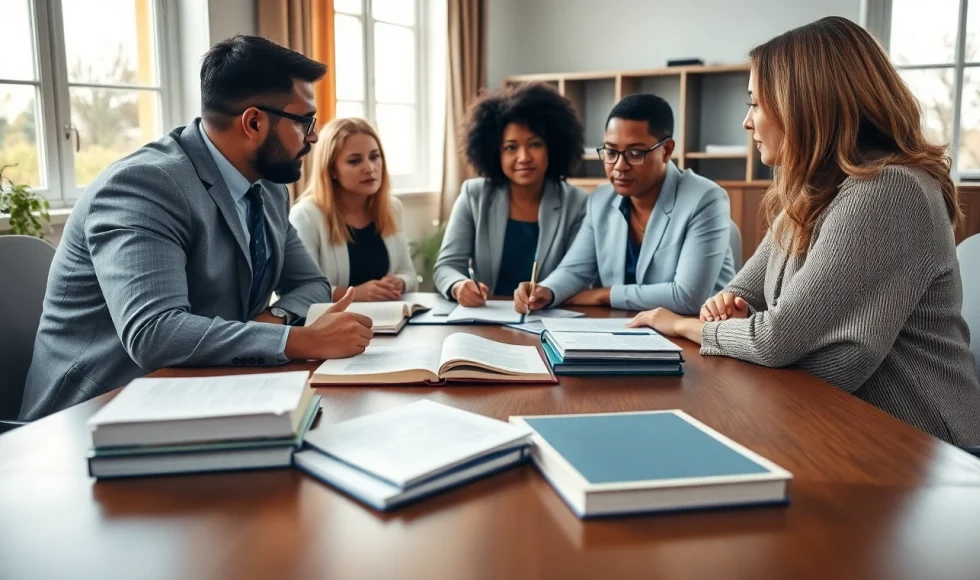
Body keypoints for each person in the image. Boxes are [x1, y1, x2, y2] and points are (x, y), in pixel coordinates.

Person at [627, 17, 980, 445]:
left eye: (756, 104)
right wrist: (728, 312)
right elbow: (741, 297)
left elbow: (776, 339)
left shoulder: (889, 191)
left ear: (807, 105)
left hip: (920, 447)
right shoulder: (813, 192)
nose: (747, 123)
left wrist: (682, 325)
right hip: (834, 419)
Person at [19, 35, 374, 421]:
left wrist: (275, 320)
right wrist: (298, 339)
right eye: (305, 120)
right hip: (91, 416)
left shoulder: (268, 188)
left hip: (203, 392)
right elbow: (154, 334)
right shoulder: (144, 186)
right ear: (253, 122)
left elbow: (310, 284)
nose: (313, 136)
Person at [514, 94, 735, 315]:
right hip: (625, 330)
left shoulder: (705, 199)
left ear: (666, 150)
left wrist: (604, 295)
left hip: (692, 336)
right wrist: (546, 291)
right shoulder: (601, 200)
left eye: (635, 153)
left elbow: (687, 297)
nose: (619, 166)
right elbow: (575, 271)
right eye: (610, 152)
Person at [432, 82, 589, 306]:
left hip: (546, 318)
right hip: (486, 318)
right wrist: (459, 286)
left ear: (552, 148)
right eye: (511, 147)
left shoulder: (577, 203)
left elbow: (576, 272)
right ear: (495, 153)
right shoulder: (474, 195)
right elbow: (446, 266)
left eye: (535, 144)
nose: (524, 157)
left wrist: (547, 291)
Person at [289, 118, 418, 302]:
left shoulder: (391, 207)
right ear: (332, 169)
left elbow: (410, 275)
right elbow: (299, 290)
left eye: (374, 157)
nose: (370, 168)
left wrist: (399, 282)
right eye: (355, 161)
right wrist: (354, 295)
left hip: (390, 322)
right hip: (330, 325)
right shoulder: (307, 216)